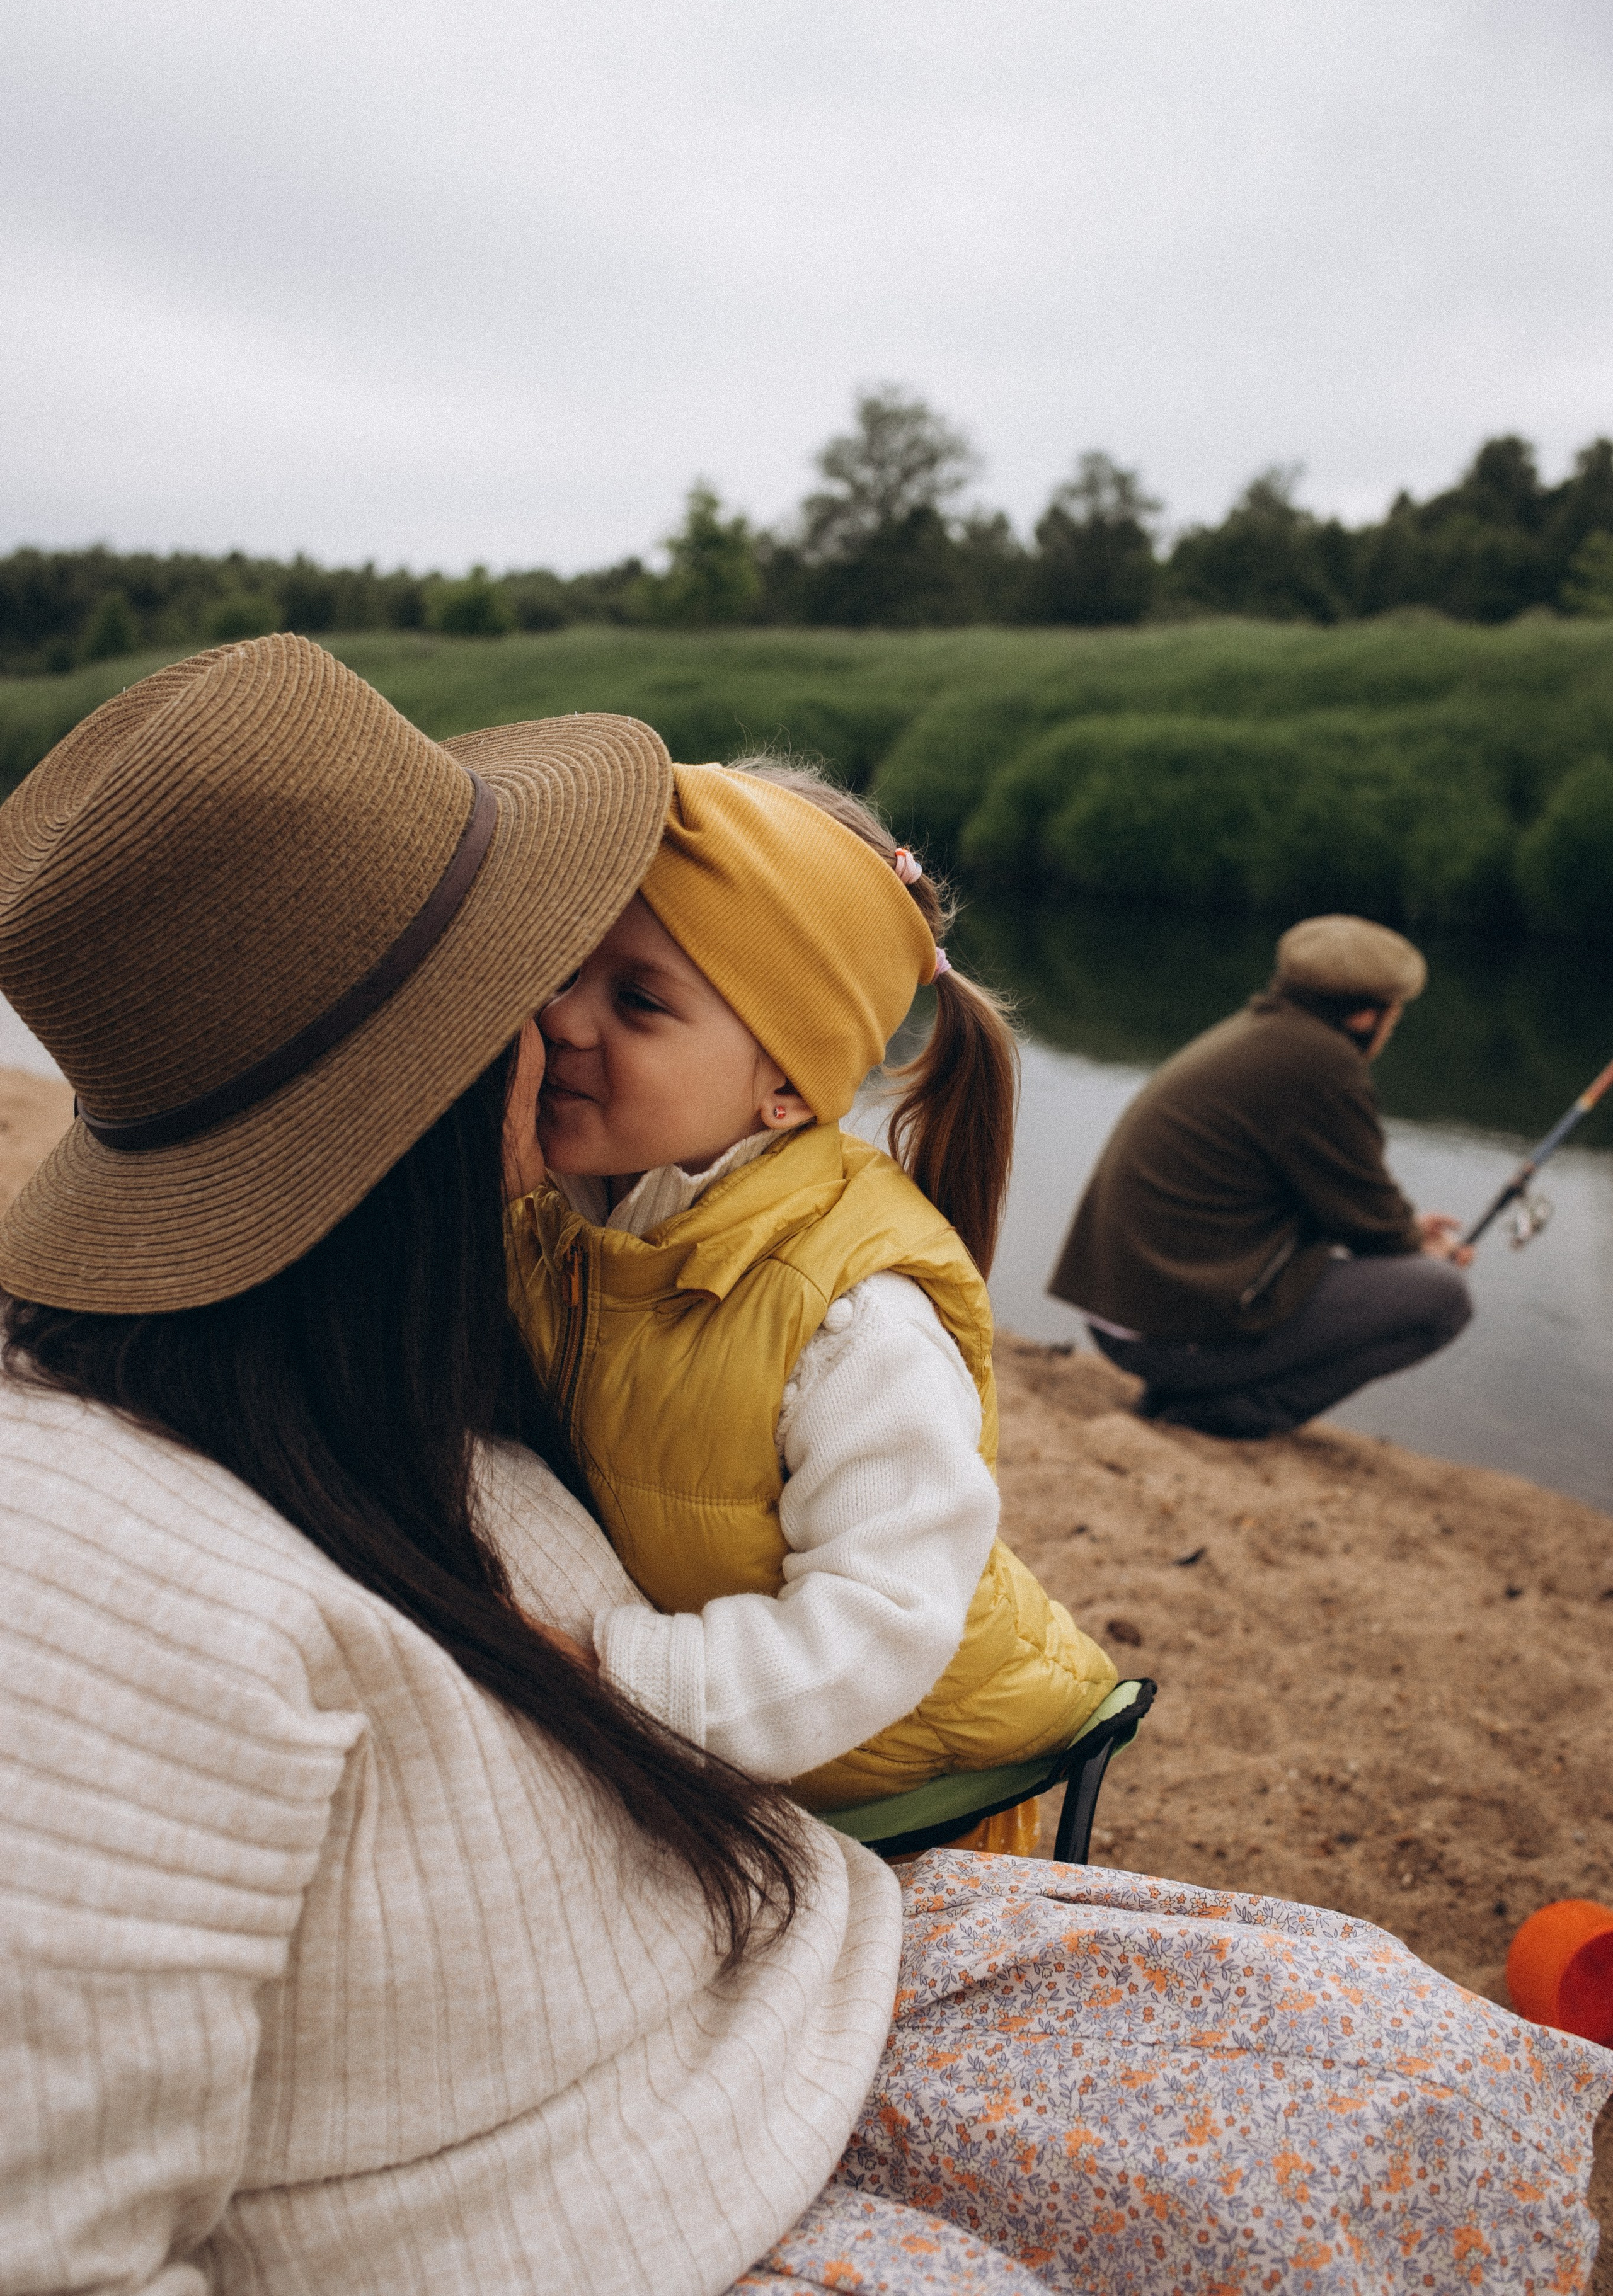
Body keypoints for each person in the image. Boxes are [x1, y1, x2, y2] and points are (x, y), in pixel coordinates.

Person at [2, 640, 1607, 2296]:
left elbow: (880, 1607)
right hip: (693, 2059)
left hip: (827, 1865)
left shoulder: (453, 1314)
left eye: (611, 982)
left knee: (1424, 2086)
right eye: (535, 973)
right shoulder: (111, 1578)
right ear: (403, 1106)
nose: (558, 1021)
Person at [502, 755, 1115, 1847]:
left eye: (637, 1000)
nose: (561, 1021)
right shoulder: (567, 1218)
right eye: (563, 972)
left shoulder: (853, 1319)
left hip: (906, 1787)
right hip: (733, 1729)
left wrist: (610, 1676)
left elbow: (878, 1628)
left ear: (786, 1085)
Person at [1050, 914, 1475, 1437]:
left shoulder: (1259, 1034)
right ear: (1367, 1017)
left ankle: (1186, 1393)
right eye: (1395, 1016)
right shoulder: (1323, 1067)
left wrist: (1408, 1233)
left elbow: (1351, 1205)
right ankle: (1229, 1415)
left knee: (1411, 1274)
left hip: (1130, 1313)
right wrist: (1418, 1245)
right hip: (1164, 1335)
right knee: (1442, 1296)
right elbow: (1374, 1227)